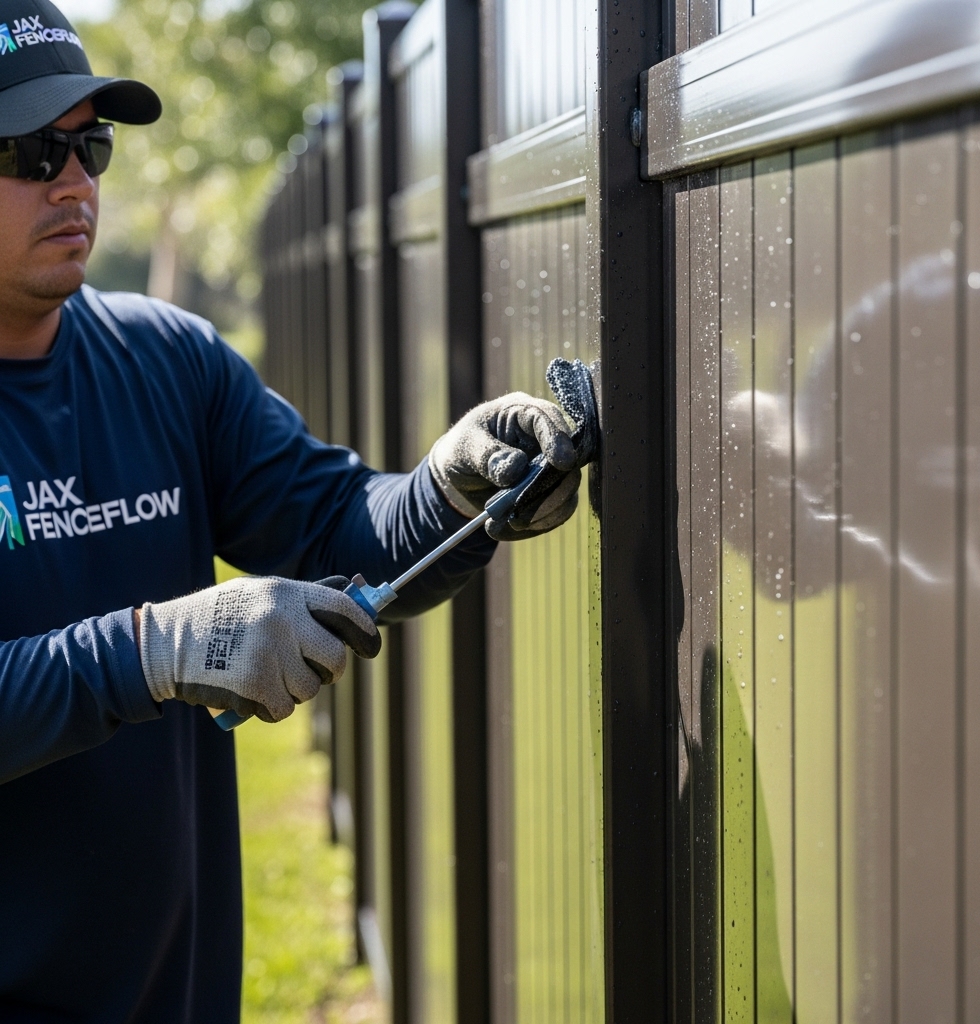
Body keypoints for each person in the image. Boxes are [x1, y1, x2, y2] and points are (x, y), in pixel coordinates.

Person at [0, 1, 582, 1019]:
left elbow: (340, 526)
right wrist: (150, 649)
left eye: (91, 143)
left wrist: (450, 484)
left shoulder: (167, 362)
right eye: (29, 152)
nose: (77, 180)